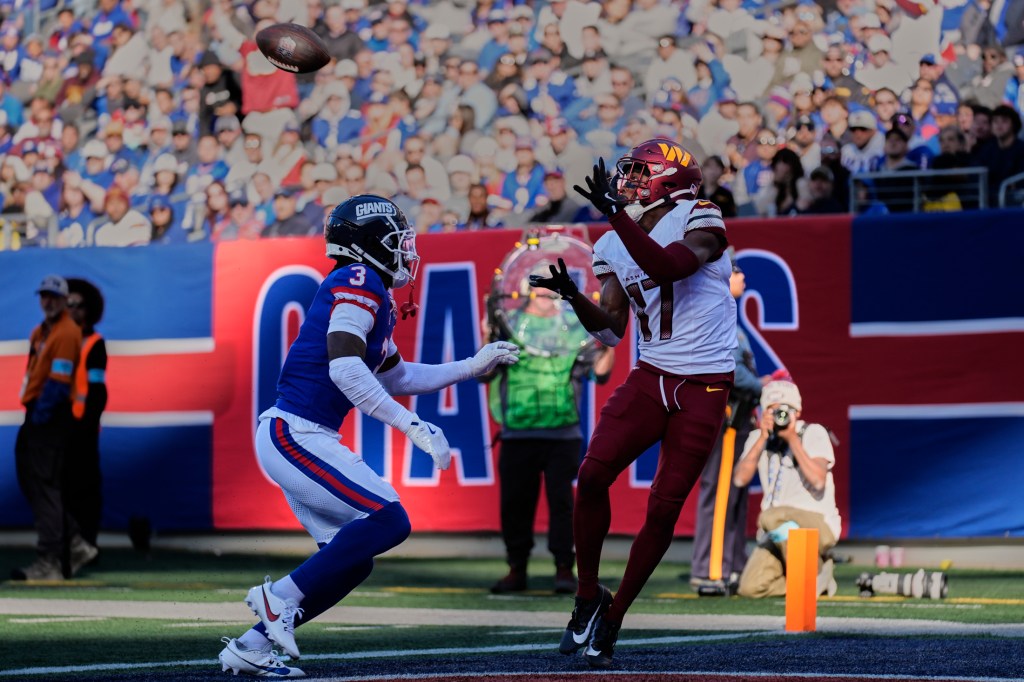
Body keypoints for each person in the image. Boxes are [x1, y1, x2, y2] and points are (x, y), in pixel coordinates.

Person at [218, 195, 520, 678]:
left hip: (301, 434)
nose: (405, 250)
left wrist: (471, 365)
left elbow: (397, 377)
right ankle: (278, 602)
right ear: (369, 242)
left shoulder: (367, 290)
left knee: (353, 559)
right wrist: (412, 426)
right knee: (389, 521)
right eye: (396, 239)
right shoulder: (357, 279)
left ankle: (252, 645)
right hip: (294, 431)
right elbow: (344, 367)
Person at [530, 139, 736, 668]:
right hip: (651, 375)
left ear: (671, 178)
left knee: (664, 506)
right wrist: (575, 298)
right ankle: (587, 596)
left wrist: (619, 216)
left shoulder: (702, 213)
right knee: (592, 476)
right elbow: (613, 329)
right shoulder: (613, 240)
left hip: (704, 385)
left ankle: (616, 614)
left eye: (640, 173)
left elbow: (670, 266)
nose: (628, 182)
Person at [483, 265, 614, 595]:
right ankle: (516, 568)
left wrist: (609, 339)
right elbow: (484, 374)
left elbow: (598, 374)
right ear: (528, 289)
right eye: (540, 285)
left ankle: (563, 569)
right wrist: (486, 338)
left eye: (551, 287)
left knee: (564, 506)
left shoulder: (572, 328)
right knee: (514, 505)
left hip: (563, 434)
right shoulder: (507, 326)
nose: (546, 293)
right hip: (517, 433)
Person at [689, 253, 762, 594]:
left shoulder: (728, 317)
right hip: (725, 417)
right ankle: (710, 569)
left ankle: (733, 566)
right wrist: (770, 387)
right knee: (718, 492)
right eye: (736, 271)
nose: (742, 276)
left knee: (735, 493)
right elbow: (733, 370)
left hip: (740, 418)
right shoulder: (715, 315)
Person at [732, 379, 841, 599]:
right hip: (777, 530)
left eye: (784, 410)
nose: (778, 416)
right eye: (772, 411)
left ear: (797, 412)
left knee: (771, 516)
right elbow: (739, 480)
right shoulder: (758, 438)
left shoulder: (813, 432)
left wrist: (792, 439)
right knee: (750, 587)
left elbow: (818, 480)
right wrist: (762, 437)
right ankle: (816, 580)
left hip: (818, 523)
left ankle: (813, 570)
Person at [11, 275, 87, 581]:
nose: (48, 301)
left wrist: (41, 415)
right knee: (33, 480)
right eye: (44, 296)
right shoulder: (42, 330)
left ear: (64, 300)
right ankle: (73, 542)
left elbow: (58, 381)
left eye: (54, 296)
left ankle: (51, 559)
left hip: (50, 413)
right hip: (37, 410)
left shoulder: (66, 331)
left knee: (44, 484)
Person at [63, 279, 107, 561]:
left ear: (88, 310)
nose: (72, 310)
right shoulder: (55, 339)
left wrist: (86, 425)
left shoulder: (94, 343)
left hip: (83, 428)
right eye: (68, 305)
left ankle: (88, 544)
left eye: (77, 305)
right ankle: (66, 545)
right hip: (57, 427)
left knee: (85, 488)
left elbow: (97, 390)